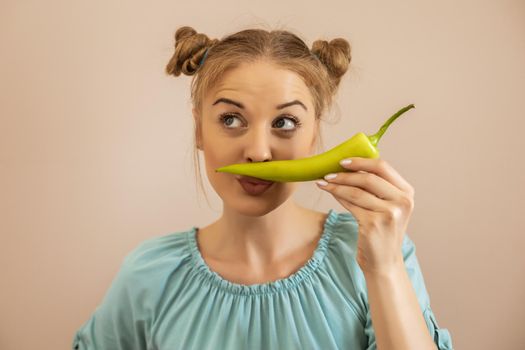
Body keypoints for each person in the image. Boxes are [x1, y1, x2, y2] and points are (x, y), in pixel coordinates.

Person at [72, 26, 453, 350]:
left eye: (285, 122)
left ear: (315, 132)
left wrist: (383, 267)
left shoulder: (374, 253)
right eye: (231, 119)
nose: (257, 152)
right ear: (199, 129)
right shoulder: (149, 275)